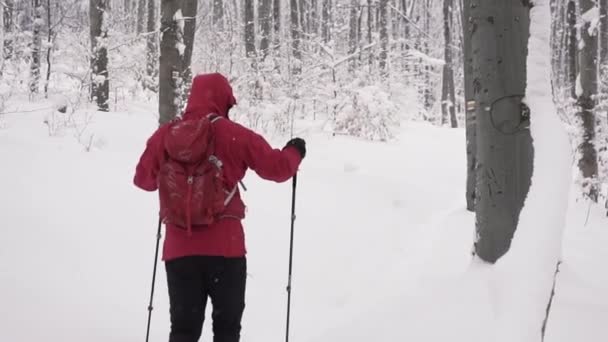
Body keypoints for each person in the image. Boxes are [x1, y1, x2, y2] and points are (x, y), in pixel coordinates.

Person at [133, 73, 306, 342]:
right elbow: (278, 169)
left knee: (183, 332)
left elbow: (143, 180)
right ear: (224, 101)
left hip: (179, 253)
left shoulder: (166, 135)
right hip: (226, 251)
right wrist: (295, 151)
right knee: (226, 331)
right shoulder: (232, 134)